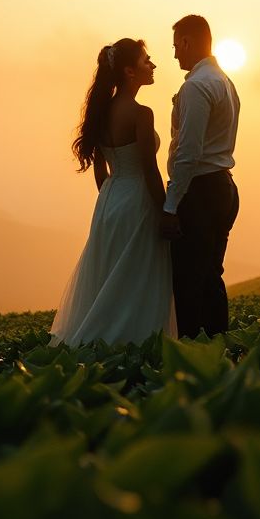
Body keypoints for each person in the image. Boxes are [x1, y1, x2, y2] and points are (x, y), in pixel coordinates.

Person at [50, 38, 177, 346]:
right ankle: (133, 341)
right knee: (137, 276)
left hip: (109, 200)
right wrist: (165, 211)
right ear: (129, 72)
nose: (153, 65)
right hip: (138, 200)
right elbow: (149, 168)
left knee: (109, 274)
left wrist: (110, 197)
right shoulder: (140, 113)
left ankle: (100, 343)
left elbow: (99, 168)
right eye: (147, 60)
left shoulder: (102, 112)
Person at [161, 15, 240, 338]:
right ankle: (218, 346)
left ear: (187, 42)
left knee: (189, 280)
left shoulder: (196, 86)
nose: (175, 54)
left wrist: (170, 205)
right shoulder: (224, 80)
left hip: (200, 192)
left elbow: (188, 154)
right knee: (209, 276)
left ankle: (194, 352)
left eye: (176, 46)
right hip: (222, 186)